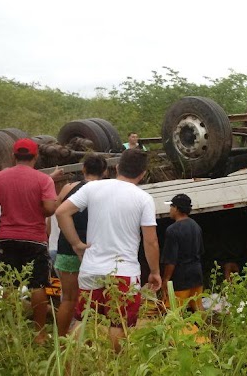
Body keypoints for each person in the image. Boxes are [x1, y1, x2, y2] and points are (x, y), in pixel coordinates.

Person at [56, 149, 161, 352]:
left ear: (117, 167)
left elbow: (61, 212)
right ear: (142, 174)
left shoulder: (93, 188)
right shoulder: (143, 198)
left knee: (82, 319)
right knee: (118, 322)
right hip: (124, 273)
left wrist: (76, 243)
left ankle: (72, 364)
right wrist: (155, 272)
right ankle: (116, 366)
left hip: (91, 269)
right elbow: (151, 241)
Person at [0, 138, 62, 343]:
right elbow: (49, 209)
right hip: (35, 239)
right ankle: (39, 333)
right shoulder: (43, 180)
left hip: (7, 238)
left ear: (13, 156)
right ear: (36, 156)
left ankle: (10, 331)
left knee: (9, 285)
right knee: (38, 285)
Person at [54, 155, 107, 337]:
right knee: (96, 299)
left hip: (68, 248)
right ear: (105, 172)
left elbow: (57, 209)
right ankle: (92, 339)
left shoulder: (69, 187)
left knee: (68, 299)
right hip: (95, 251)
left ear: (83, 169)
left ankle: (61, 340)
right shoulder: (106, 191)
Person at [161, 193, 204, 311]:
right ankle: (205, 329)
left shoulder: (172, 230)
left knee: (175, 311)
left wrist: (165, 280)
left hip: (181, 277)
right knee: (198, 307)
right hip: (196, 273)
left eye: (171, 207)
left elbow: (171, 260)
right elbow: (200, 251)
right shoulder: (196, 226)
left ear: (177, 209)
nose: (170, 210)